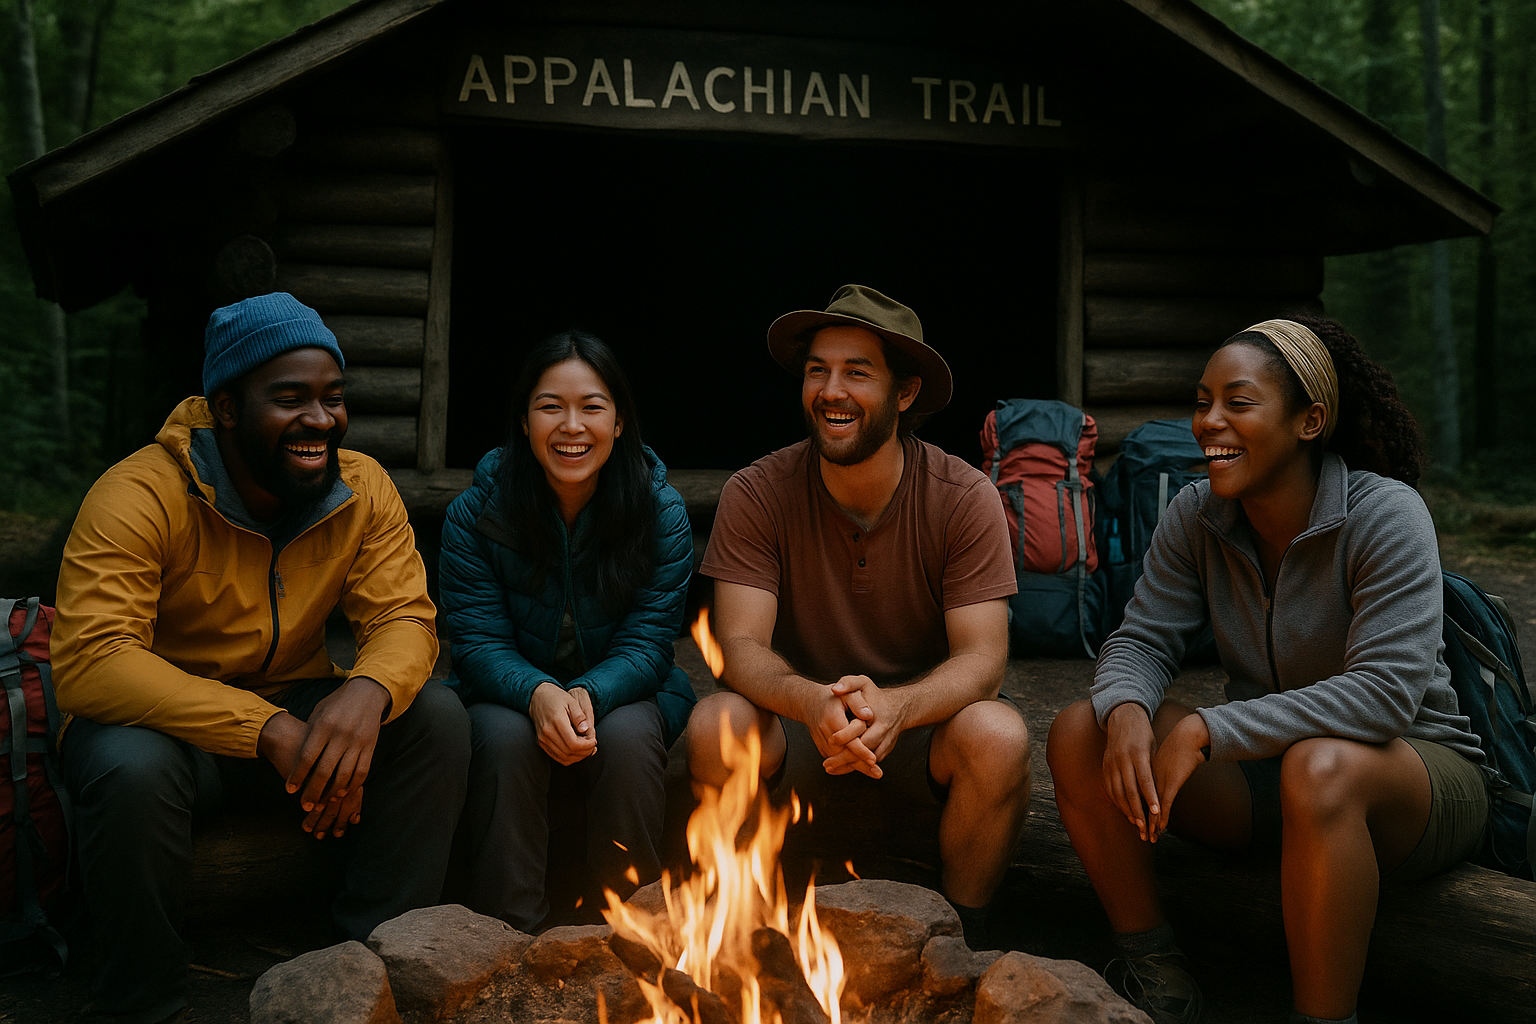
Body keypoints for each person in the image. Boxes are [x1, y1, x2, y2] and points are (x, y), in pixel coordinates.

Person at [1047, 317, 1488, 1024]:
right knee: (1080, 729)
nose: (1207, 423)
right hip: (1273, 776)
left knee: (1321, 767)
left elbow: (1385, 695)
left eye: (1238, 402)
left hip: (1417, 779)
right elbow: (1142, 638)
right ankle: (1157, 969)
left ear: (1310, 420)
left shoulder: (1385, 515)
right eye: (1201, 400)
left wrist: (1207, 729)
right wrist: (1127, 706)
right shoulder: (1197, 514)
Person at [52, 292, 471, 1024]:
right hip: (168, 732)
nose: (320, 420)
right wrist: (266, 729)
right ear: (225, 407)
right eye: (290, 399)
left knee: (434, 714)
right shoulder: (137, 493)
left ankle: (374, 971)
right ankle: (141, 1000)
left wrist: (368, 688)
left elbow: (405, 617)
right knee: (127, 765)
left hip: (295, 709)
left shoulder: (361, 487)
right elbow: (94, 660)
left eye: (332, 398)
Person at [686, 284, 1031, 949]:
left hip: (923, 734)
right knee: (715, 721)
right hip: (800, 730)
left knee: (999, 733)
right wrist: (812, 700)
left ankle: (961, 944)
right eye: (818, 370)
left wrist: (898, 709)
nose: (831, 389)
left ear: (905, 394)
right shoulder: (757, 491)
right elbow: (738, 645)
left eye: (856, 373)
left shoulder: (964, 497)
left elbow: (984, 660)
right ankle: (741, 936)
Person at [439, 330, 696, 932]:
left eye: (592, 407)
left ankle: (634, 934)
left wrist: (586, 695)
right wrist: (537, 693)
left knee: (630, 735)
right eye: (550, 406)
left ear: (621, 421)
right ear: (524, 423)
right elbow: (476, 645)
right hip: (507, 693)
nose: (571, 426)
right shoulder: (476, 516)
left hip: (623, 691)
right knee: (502, 737)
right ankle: (508, 935)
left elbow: (649, 643)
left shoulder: (661, 514)